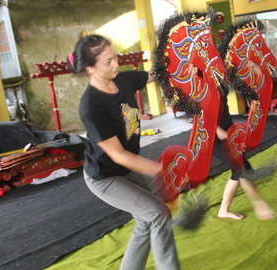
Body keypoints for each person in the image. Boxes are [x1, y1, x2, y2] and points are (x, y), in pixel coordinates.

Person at [70, 34, 180, 270]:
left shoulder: (124, 80)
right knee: (159, 214)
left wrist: (178, 64)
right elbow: (118, 154)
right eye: (107, 62)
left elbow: (152, 75)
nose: (116, 64)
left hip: (126, 167)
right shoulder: (91, 106)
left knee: (145, 219)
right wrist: (160, 170)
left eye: (115, 58)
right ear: (90, 68)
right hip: (105, 177)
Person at [214, 87, 275, 220]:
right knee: (242, 168)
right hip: (212, 139)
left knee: (238, 171)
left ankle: (223, 210)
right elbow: (203, 119)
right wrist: (227, 136)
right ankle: (259, 204)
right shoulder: (201, 88)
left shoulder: (220, 79)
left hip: (228, 131)